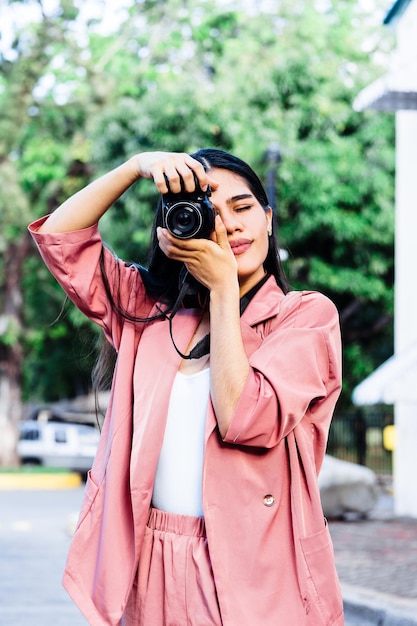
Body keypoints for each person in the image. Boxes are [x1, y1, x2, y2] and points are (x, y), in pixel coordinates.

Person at [28, 149, 344, 626]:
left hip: (253, 561)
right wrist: (137, 166)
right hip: (149, 556)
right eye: (211, 213)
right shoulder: (146, 311)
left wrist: (222, 290)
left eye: (243, 208)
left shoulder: (304, 317)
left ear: (268, 218)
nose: (231, 227)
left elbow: (245, 418)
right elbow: (59, 236)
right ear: (181, 227)